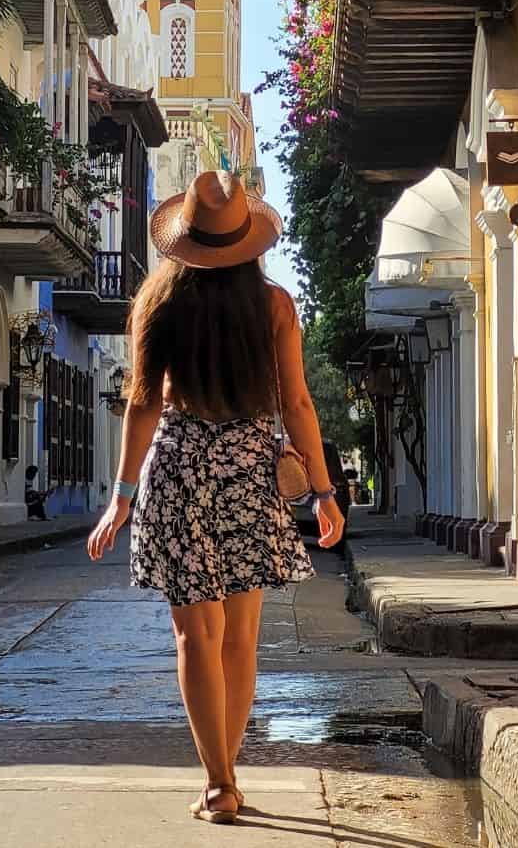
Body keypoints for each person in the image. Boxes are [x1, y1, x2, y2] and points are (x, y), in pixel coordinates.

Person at [88, 171, 344, 824]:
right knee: (241, 638)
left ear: (186, 240)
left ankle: (218, 783)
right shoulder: (275, 306)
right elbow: (298, 403)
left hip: (176, 472)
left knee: (194, 637)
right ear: (246, 243)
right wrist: (321, 491)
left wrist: (120, 496)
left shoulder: (157, 300)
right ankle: (228, 780)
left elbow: (142, 404)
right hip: (248, 475)